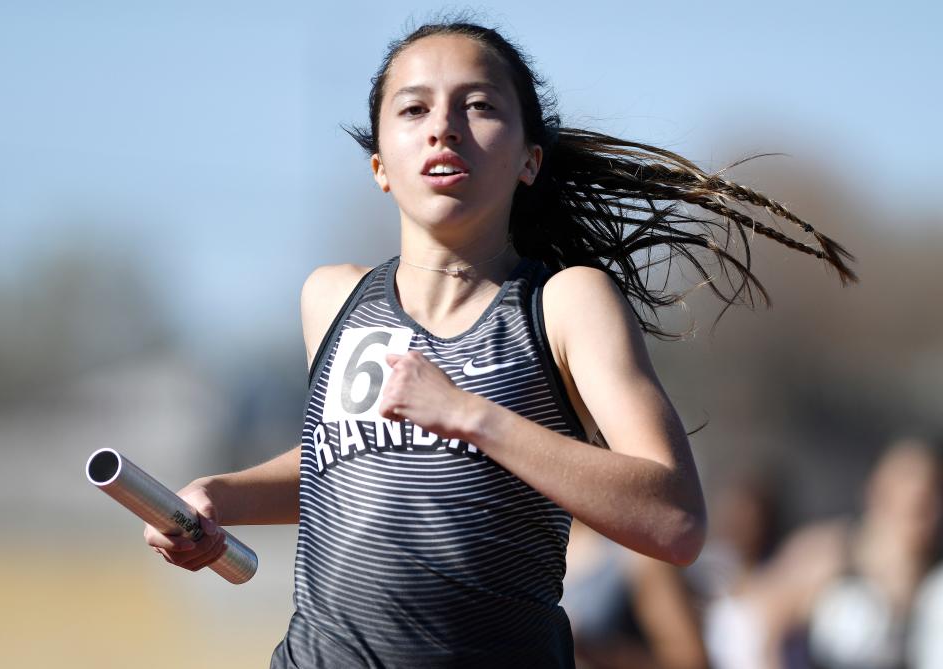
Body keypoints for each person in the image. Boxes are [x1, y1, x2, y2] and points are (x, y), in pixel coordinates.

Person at [142, 18, 856, 668]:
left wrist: (472, 416)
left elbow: (676, 519)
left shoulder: (565, 304)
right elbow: (350, 464)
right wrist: (217, 497)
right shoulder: (332, 298)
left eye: (478, 106)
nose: (443, 128)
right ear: (380, 166)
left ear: (529, 159)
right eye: (414, 108)